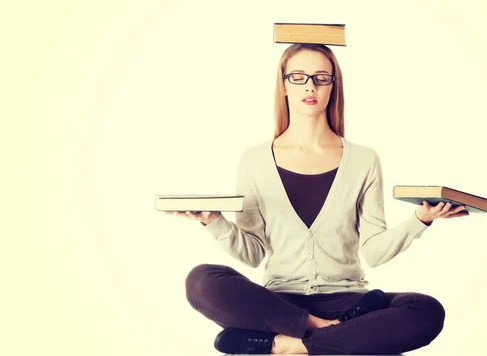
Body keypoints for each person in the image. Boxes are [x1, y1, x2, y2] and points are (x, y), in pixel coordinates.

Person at [166, 43, 469, 354]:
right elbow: (254, 254)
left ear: (332, 87)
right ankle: (326, 332)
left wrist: (421, 220)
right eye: (298, 77)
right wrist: (214, 222)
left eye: (321, 77)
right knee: (201, 280)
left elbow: (374, 253)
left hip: (351, 301)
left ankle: (286, 346)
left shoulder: (364, 160)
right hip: (281, 302)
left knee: (426, 309)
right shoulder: (254, 161)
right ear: (282, 85)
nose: (310, 85)